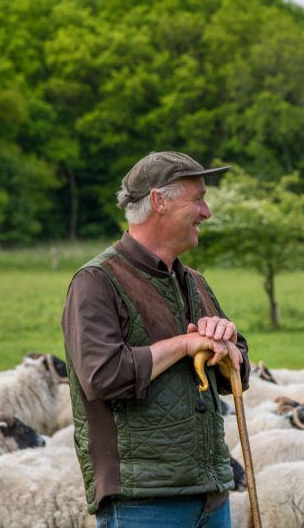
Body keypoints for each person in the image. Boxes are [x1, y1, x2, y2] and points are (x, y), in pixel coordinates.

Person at [61, 151, 249, 528]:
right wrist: (184, 345)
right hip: (143, 504)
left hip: (212, 496)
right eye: (197, 199)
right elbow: (102, 377)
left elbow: (238, 376)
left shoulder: (193, 281)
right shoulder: (96, 281)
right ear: (159, 201)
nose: (206, 212)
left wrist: (228, 345)